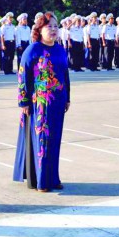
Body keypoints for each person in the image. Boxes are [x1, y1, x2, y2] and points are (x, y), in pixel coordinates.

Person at [13, 11, 70, 192]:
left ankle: (53, 178)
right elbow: (23, 75)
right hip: (40, 104)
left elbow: (65, 75)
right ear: (40, 29)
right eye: (49, 27)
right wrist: (24, 102)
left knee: (55, 140)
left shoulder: (60, 49)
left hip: (58, 103)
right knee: (42, 141)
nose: (53, 30)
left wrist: (68, 97)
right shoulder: (33, 49)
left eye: (55, 26)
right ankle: (41, 181)